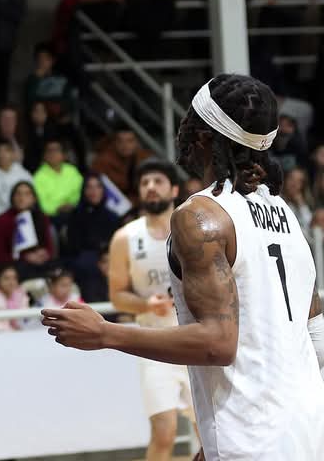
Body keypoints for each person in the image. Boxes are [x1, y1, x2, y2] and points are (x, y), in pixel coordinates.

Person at [43, 74, 324, 460]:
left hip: (253, 440)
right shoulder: (288, 216)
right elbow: (315, 335)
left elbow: (217, 343)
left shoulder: (201, 216)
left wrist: (106, 333)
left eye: (189, 119)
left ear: (203, 136)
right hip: (307, 429)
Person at [106, 159, 194, 461]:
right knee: (164, 432)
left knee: (211, 432)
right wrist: (145, 304)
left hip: (195, 339)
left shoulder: (193, 230)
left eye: (157, 181)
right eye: (144, 183)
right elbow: (117, 296)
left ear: (174, 189)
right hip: (154, 345)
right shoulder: (125, 238)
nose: (150, 187)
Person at [65, 173, 121, 303]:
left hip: (109, 258)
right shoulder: (75, 216)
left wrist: (105, 258)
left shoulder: (113, 217)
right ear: (84, 191)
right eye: (89, 187)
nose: (94, 191)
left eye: (97, 187)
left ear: (103, 190)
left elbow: (117, 244)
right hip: (85, 260)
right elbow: (73, 246)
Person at [32, 139, 84, 222]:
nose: (53, 154)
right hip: (53, 217)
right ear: (44, 156)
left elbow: (81, 190)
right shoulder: (38, 177)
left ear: (64, 155)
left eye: (57, 150)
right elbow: (42, 203)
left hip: (76, 210)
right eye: (50, 151)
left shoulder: (72, 170)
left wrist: (72, 204)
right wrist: (58, 208)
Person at [0, 138, 33, 219]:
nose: (2, 154)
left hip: (27, 214)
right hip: (4, 218)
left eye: (6, 150)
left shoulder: (22, 172)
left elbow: (33, 197)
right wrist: (10, 215)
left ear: (13, 154)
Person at [0, 264, 29, 332]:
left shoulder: (22, 296)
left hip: (21, 332)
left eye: (14, 278)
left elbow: (26, 319)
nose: (11, 282)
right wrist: (11, 331)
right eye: (6, 278)